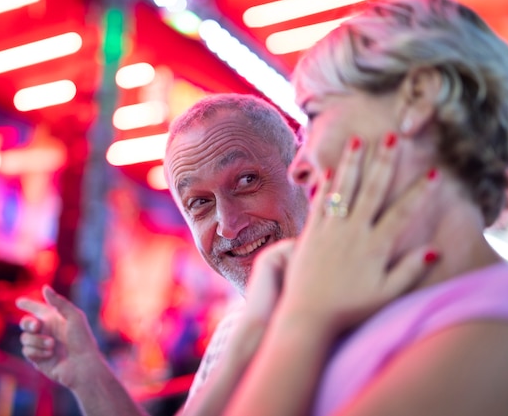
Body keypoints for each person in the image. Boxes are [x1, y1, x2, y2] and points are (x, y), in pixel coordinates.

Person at [211, 0, 508, 415]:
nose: (297, 167)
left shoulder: (501, 331)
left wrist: (301, 317)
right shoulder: (352, 301)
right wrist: (254, 328)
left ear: (417, 96)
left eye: (315, 114)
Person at [16, 93, 310, 415]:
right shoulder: (233, 333)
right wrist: (88, 374)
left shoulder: (362, 306)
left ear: (304, 172)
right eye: (199, 203)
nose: (228, 225)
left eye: (246, 181)